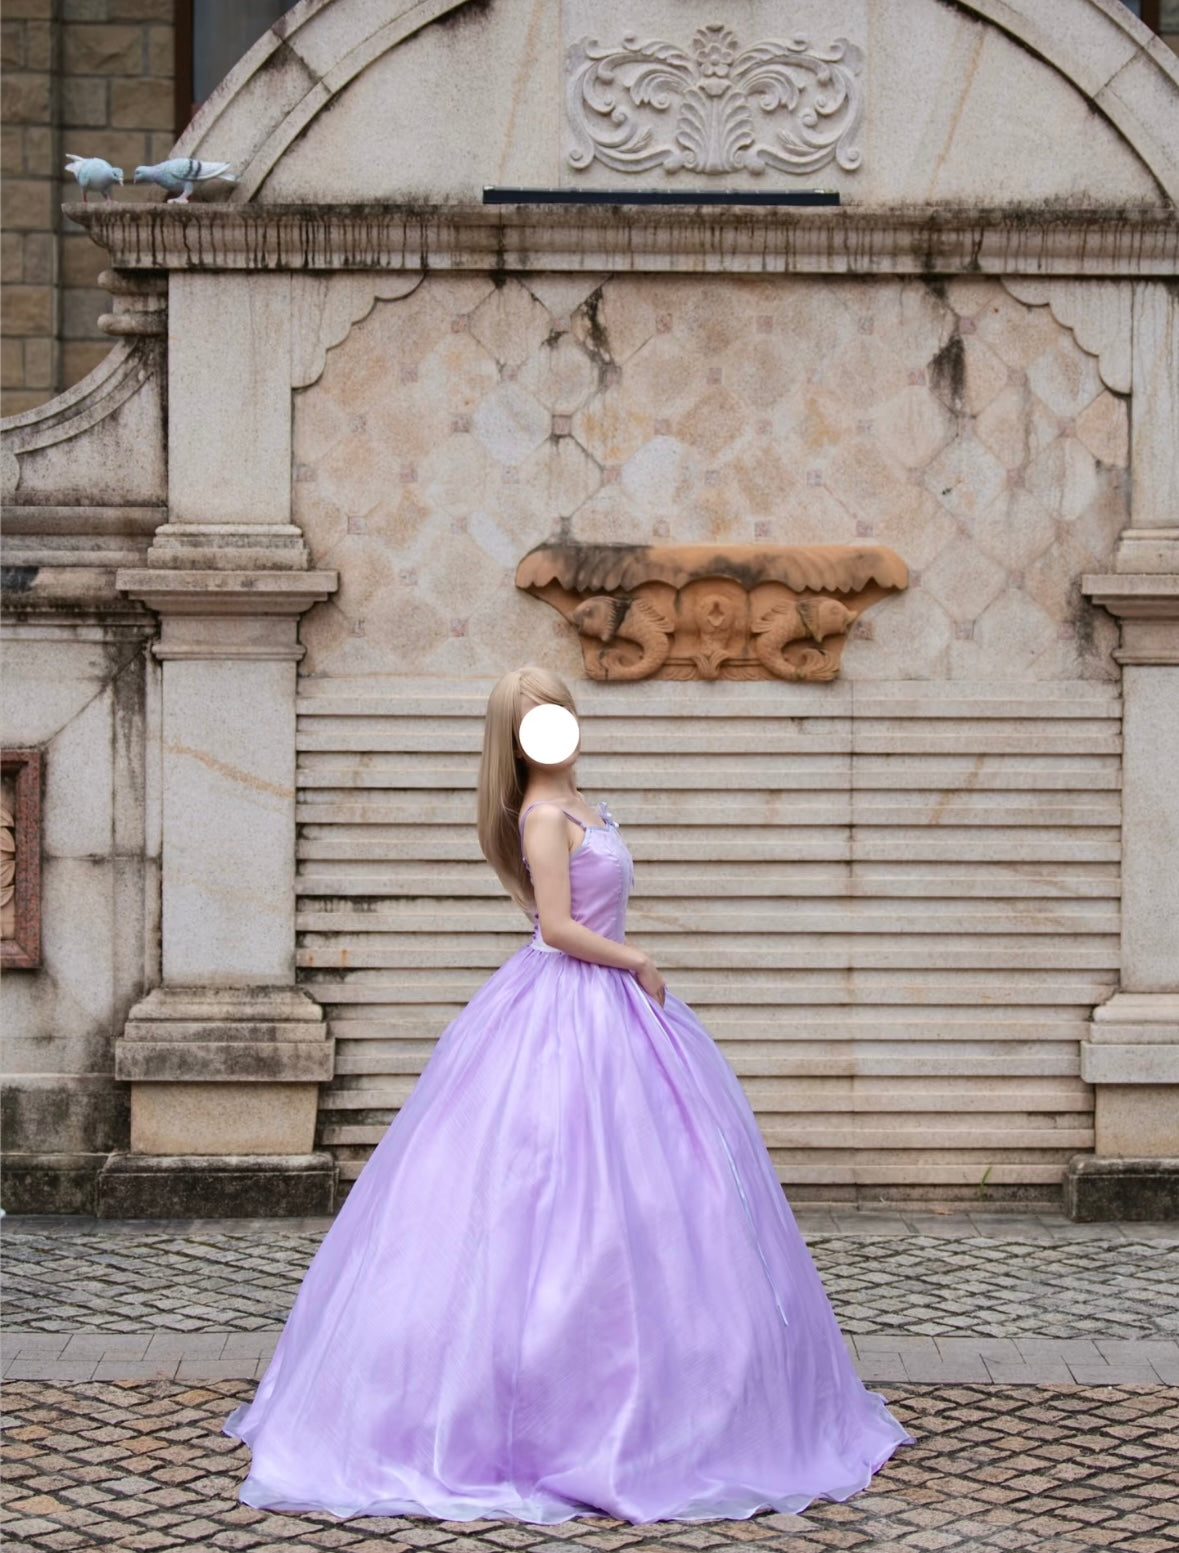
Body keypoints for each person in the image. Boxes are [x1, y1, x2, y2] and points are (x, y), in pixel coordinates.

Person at [221, 664, 915, 1523]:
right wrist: (637, 959)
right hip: (568, 1003)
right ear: (516, 739)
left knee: (656, 1198)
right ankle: (524, 1408)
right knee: (546, 1190)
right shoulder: (543, 816)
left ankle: (672, 1395)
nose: (552, 724)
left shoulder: (582, 804)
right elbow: (555, 927)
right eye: (534, 716)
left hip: (617, 1014)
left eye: (557, 708)